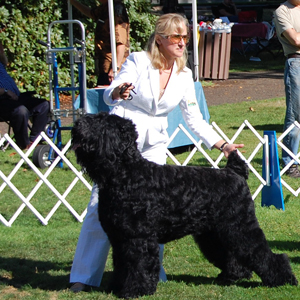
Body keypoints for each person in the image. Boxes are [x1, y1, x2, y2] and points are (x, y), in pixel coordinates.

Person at [69, 13, 244, 293]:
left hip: (155, 143)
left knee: (153, 213)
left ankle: (149, 276)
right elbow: (112, 89)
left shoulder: (185, 75)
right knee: (98, 206)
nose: (183, 42)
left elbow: (195, 119)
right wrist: (118, 92)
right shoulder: (139, 60)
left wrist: (222, 144)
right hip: (123, 142)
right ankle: (84, 276)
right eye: (177, 36)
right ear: (160, 39)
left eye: (186, 37)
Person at [0, 42, 49, 150]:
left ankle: (34, 140)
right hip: (2, 101)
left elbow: (4, 60)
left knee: (43, 105)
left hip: (17, 98)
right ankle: (24, 144)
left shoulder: (1, 64)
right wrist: (5, 91)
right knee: (20, 111)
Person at [69, 0, 130, 85]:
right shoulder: (104, 8)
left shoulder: (116, 10)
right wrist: (74, 2)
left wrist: (116, 67)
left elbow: (121, 42)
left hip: (112, 67)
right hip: (104, 64)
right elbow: (91, 13)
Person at [274, 0, 300, 177]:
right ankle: (290, 164)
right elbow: (296, 40)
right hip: (296, 63)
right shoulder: (282, 11)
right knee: (296, 114)